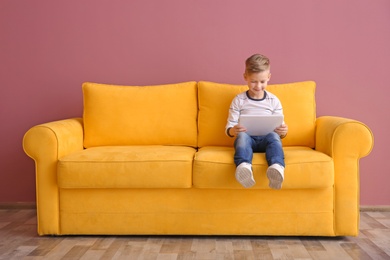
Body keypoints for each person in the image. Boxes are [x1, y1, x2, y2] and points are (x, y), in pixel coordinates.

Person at [225, 54, 288, 189]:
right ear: (245, 77)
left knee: (274, 136)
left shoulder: (274, 100)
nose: (258, 86)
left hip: (267, 140)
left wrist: (283, 131)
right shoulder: (239, 100)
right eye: (254, 81)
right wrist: (233, 130)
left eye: (262, 81)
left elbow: (279, 128)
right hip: (247, 140)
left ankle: (276, 167)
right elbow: (229, 126)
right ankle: (244, 167)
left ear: (269, 78)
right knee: (242, 136)